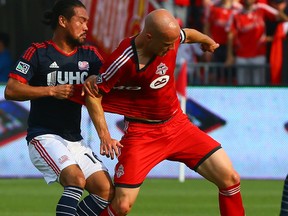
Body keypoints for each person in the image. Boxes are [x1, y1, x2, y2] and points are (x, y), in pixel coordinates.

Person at [79, 9, 245, 216]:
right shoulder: (123, 60)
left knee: (230, 179)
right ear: (149, 37)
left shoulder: (170, 38)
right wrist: (105, 136)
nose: (171, 48)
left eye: (173, 42)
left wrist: (207, 40)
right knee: (121, 206)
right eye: (166, 44)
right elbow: (93, 95)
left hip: (178, 125)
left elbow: (188, 34)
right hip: (142, 134)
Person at [4, 0, 121, 215]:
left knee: (105, 191)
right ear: (63, 21)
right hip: (44, 137)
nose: (87, 27)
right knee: (75, 179)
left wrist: (105, 134)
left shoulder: (90, 56)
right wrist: (50, 91)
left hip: (74, 140)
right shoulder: (37, 52)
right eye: (81, 21)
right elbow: (11, 90)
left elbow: (105, 86)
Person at [226, 0, 288, 85]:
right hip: (241, 56)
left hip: (258, 55)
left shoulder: (261, 8)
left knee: (258, 85)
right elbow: (230, 35)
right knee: (242, 86)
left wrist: (276, 37)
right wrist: (230, 55)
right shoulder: (235, 13)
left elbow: (280, 16)